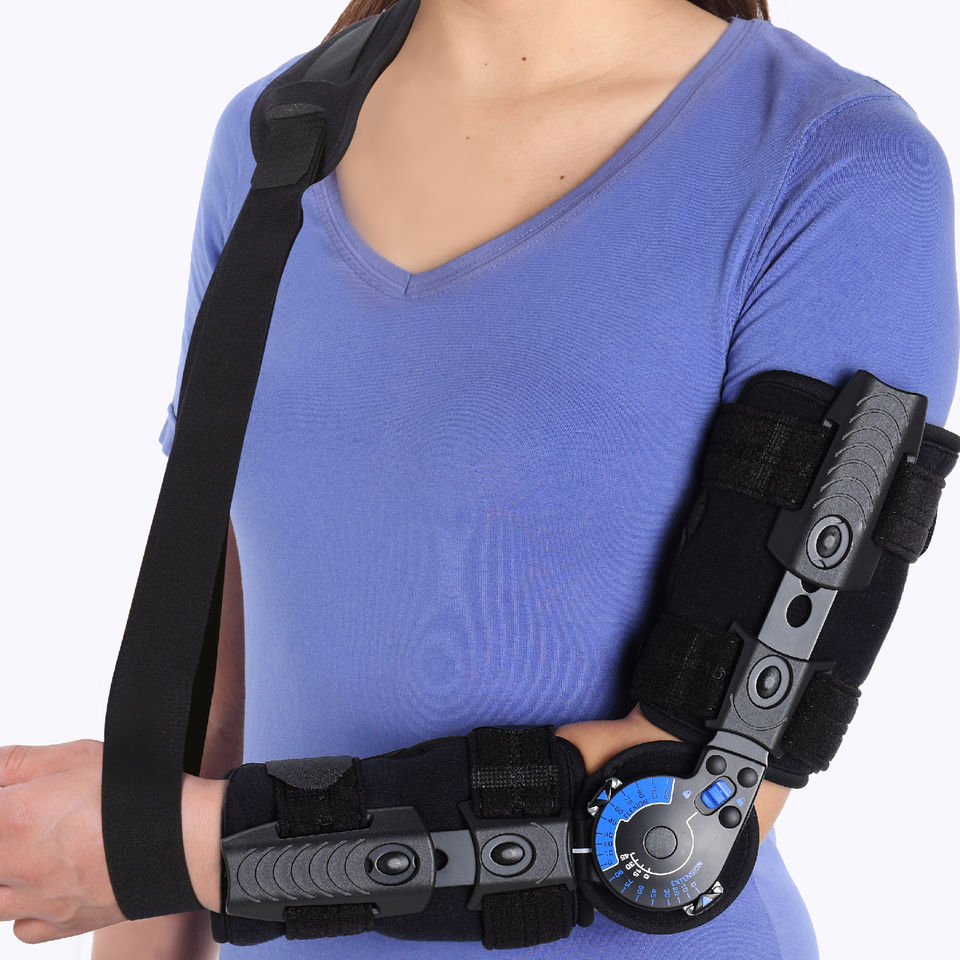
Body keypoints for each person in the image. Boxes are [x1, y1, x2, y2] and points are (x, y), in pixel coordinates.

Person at [0, 0, 954, 957]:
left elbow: (689, 819)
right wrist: (139, 854)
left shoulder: (841, 167)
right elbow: (212, 721)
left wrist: (166, 847)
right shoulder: (277, 139)